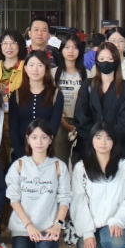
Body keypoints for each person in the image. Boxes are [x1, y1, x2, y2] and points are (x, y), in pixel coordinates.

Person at [71, 121, 125, 248]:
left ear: (113, 142)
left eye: (108, 138)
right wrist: (88, 233)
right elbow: (78, 202)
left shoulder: (124, 167)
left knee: (115, 242)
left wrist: (118, 220)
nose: (103, 142)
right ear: (92, 140)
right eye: (98, 137)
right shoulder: (81, 168)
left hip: (112, 225)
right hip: (89, 225)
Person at [6, 120, 71, 248]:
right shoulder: (19, 165)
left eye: (44, 137)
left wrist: (58, 225)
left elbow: (65, 199)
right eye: (34, 137)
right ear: (28, 139)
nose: (39, 142)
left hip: (48, 227)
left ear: (50, 139)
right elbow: (14, 200)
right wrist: (28, 225)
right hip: (23, 227)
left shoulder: (59, 166)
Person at [73, 42, 125, 158]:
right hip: (90, 148)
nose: (105, 62)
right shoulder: (87, 85)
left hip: (117, 147)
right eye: (101, 59)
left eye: (110, 59)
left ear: (116, 61)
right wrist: (96, 138)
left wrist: (109, 139)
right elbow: (81, 116)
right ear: (96, 61)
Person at [7, 51, 63, 162]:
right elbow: (13, 129)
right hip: (20, 154)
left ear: (46, 68)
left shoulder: (56, 95)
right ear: (25, 68)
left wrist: (42, 154)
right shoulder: (16, 95)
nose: (35, 69)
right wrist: (23, 157)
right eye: (31, 65)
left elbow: (53, 128)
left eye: (40, 65)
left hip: (46, 154)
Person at [53, 34, 86, 163]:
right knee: (59, 162)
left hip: (81, 123)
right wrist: (65, 124)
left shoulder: (87, 74)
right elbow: (51, 102)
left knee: (79, 163)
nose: (71, 51)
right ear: (61, 50)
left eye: (75, 47)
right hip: (59, 122)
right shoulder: (53, 73)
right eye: (67, 47)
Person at [0, 29, 27, 97]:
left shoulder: (26, 68)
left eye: (13, 43)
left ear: (20, 45)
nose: (8, 47)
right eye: (5, 43)